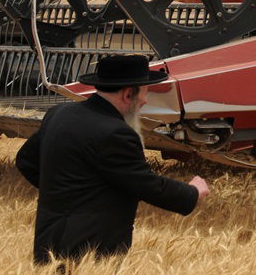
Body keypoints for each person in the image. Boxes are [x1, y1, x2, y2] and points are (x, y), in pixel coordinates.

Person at [15, 55, 209, 265]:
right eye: (145, 92)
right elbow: (145, 184)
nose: (144, 101)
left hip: (48, 239)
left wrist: (65, 192)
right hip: (89, 247)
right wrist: (192, 192)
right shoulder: (116, 133)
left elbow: (26, 160)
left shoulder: (60, 114)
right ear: (128, 94)